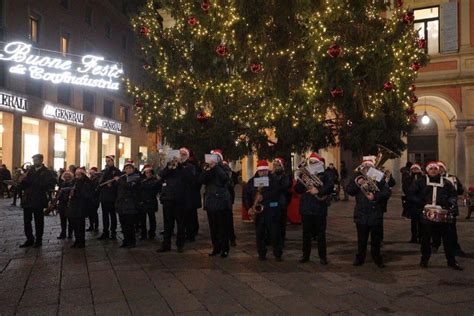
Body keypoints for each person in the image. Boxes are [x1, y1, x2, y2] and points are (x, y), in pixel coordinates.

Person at [407, 161, 462, 270]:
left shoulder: (446, 183)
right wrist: (422, 203)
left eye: (435, 169)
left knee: (447, 240)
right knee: (425, 240)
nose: (433, 171)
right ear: (427, 170)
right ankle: (424, 260)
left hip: (442, 215)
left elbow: (453, 195)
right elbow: (411, 194)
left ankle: (451, 261)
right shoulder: (420, 182)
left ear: (438, 170)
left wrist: (449, 203)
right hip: (426, 215)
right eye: (431, 169)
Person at [346, 157, 391, 268]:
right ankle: (360, 258)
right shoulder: (357, 177)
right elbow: (349, 191)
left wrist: (375, 196)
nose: (367, 167)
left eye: (370, 166)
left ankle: (377, 258)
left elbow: (387, 193)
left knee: (376, 240)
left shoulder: (379, 177)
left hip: (375, 213)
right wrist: (357, 183)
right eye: (365, 165)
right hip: (361, 212)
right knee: (361, 239)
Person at [295, 153, 333, 265]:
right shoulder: (304, 174)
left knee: (321, 234)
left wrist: (318, 191)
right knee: (306, 234)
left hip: (320, 207)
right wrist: (302, 179)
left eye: (314, 162)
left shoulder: (325, 174)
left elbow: (330, 186)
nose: (312, 164)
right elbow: (297, 189)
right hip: (306, 208)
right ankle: (305, 255)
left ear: (319, 163)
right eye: (310, 162)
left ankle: (323, 257)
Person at [243, 160, 283, 261]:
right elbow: (246, 195)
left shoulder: (273, 180)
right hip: (259, 212)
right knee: (259, 234)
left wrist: (263, 196)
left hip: (271, 211)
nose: (263, 173)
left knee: (274, 234)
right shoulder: (252, 181)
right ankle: (261, 253)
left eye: (265, 171)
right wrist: (249, 208)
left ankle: (277, 254)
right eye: (261, 171)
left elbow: (277, 192)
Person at [157, 147, 196, 253]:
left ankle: (180, 245)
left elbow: (190, 178)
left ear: (187, 157)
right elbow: (161, 175)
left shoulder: (189, 167)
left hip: (181, 198)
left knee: (181, 224)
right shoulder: (170, 166)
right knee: (167, 223)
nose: (181, 156)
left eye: (184, 154)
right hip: (168, 198)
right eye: (180, 154)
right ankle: (166, 244)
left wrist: (180, 166)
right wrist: (170, 166)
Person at [18, 154, 56, 248]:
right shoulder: (29, 170)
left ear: (41, 160)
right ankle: (29, 239)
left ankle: (39, 240)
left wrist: (34, 182)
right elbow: (24, 185)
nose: (35, 162)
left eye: (36, 160)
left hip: (39, 199)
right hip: (28, 199)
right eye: (34, 160)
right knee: (27, 220)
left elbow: (50, 184)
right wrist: (21, 181)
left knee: (38, 221)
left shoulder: (46, 172)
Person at [200, 154, 232, 258]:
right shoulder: (207, 169)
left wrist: (216, 167)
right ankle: (216, 247)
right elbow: (201, 180)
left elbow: (225, 179)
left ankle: (225, 249)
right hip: (211, 201)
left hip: (222, 201)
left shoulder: (224, 168)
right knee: (213, 227)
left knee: (223, 227)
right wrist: (207, 170)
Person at [434, 161, 466, 257]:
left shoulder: (453, 178)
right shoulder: (431, 178)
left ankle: (455, 248)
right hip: (437, 208)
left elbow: (460, 190)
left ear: (444, 168)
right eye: (437, 167)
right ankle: (435, 245)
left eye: (441, 167)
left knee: (451, 230)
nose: (439, 169)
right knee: (435, 229)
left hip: (450, 208)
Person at [115, 161, 141, 248]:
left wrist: (119, 180)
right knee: (123, 225)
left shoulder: (136, 177)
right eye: (126, 168)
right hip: (122, 205)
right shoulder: (123, 178)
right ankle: (125, 240)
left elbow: (129, 186)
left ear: (133, 169)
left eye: (130, 168)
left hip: (131, 205)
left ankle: (132, 241)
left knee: (130, 225)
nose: (128, 170)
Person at [67, 168, 93, 248]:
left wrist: (76, 192)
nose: (77, 176)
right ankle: (77, 240)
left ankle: (81, 241)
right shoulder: (74, 182)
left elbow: (87, 194)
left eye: (79, 174)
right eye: (76, 174)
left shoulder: (86, 183)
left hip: (81, 206)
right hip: (73, 205)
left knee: (80, 225)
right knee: (74, 224)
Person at [98, 155, 122, 240]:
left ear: (113, 161)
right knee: (105, 215)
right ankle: (105, 232)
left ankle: (113, 232)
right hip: (104, 197)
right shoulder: (104, 171)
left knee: (112, 215)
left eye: (109, 161)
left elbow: (120, 183)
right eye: (106, 161)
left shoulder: (117, 171)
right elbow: (100, 183)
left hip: (112, 197)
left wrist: (112, 184)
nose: (107, 162)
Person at [272, 157, 292, 247]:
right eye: (274, 164)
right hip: (272, 201)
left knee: (281, 223)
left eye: (278, 164)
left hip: (281, 202)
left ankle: (281, 241)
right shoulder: (271, 175)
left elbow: (285, 187)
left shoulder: (285, 176)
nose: (275, 166)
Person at [402, 163, 424, 243]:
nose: (415, 170)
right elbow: (405, 188)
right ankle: (414, 237)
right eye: (413, 169)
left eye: (416, 169)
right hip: (412, 203)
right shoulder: (408, 178)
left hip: (421, 202)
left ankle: (421, 237)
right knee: (413, 221)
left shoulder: (423, 178)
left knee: (421, 221)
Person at [139, 166, 160, 240]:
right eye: (146, 173)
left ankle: (152, 234)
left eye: (149, 172)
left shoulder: (155, 181)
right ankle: (143, 234)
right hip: (143, 202)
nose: (148, 174)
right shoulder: (142, 180)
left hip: (151, 201)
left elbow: (151, 187)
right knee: (142, 219)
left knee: (152, 218)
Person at [185, 153, 202, 242]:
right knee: (192, 214)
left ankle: (190, 233)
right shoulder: (196, 167)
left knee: (190, 215)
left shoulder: (192, 168)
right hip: (193, 195)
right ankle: (192, 231)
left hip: (190, 195)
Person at [56, 171, 74, 239]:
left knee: (70, 220)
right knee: (62, 219)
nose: (66, 178)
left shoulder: (72, 184)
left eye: (68, 176)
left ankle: (70, 233)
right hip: (62, 203)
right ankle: (63, 233)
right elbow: (58, 192)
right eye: (65, 176)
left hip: (68, 203)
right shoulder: (62, 184)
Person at [87, 167, 100, 232]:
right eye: (90, 172)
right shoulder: (90, 178)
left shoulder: (97, 179)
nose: (91, 173)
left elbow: (96, 188)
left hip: (95, 198)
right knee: (90, 212)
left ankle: (96, 226)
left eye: (92, 172)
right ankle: (91, 225)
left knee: (94, 213)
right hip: (90, 198)